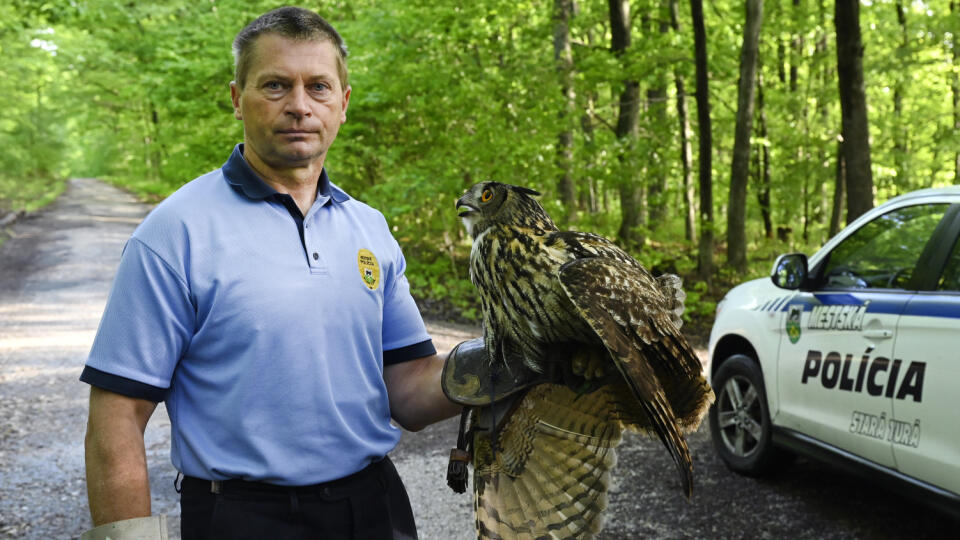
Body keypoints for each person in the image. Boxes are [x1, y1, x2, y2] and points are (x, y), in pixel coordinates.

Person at [80, 7, 463, 539]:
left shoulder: (369, 228)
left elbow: (409, 388)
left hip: (374, 509)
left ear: (343, 104)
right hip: (240, 517)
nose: (300, 106)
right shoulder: (175, 232)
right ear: (238, 98)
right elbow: (118, 414)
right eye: (276, 85)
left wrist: (507, 362)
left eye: (319, 87)